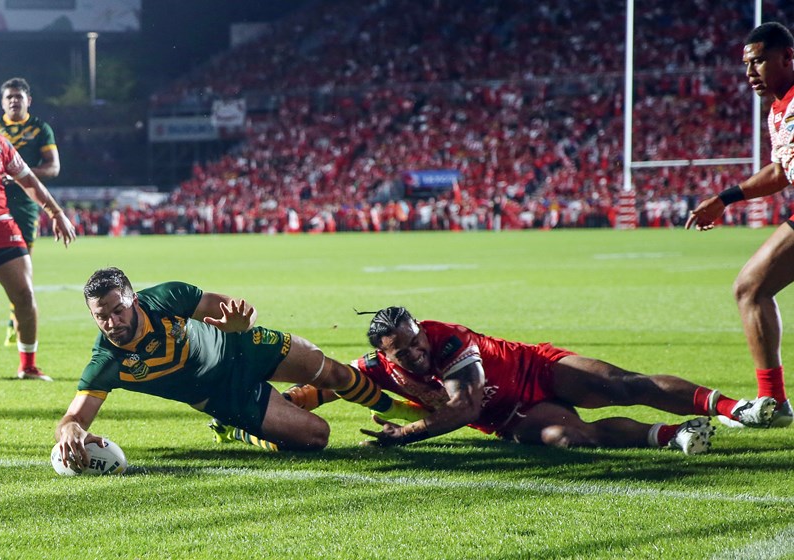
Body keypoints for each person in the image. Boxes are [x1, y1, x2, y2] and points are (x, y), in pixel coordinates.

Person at [54, 267, 420, 470]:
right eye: (101, 316)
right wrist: (70, 431)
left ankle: (402, 411)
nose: (112, 322)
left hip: (242, 346)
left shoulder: (167, 297)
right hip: (222, 394)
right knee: (316, 438)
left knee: (333, 372)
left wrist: (241, 325)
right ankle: (237, 429)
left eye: (118, 309)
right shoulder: (106, 363)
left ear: (132, 298)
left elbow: (241, 312)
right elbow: (73, 417)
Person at [285, 307, 778, 454]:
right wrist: (293, 404)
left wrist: (408, 434)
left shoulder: (449, 341)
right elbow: (333, 383)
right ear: (383, 353)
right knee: (570, 438)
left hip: (535, 368)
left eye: (417, 340)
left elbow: (465, 406)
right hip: (513, 415)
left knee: (624, 385)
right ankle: (674, 435)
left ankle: (735, 408)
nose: (419, 351)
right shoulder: (378, 368)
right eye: (406, 349)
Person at [686, 22, 794, 428]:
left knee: (751, 288)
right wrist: (725, 199)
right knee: (750, 288)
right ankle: (773, 401)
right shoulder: (778, 108)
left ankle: (773, 401)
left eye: (760, 61)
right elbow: (782, 172)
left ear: (788, 57)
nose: (751, 72)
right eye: (747, 64)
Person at [0, 84, 75, 380]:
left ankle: (28, 365)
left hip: (0, 228)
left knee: (24, 294)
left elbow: (30, 181)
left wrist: (56, 213)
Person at [0, 77, 61, 355]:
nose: (14, 101)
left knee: (20, 272)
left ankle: (14, 326)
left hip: (25, 208)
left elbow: (54, 167)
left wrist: (21, 174)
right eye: (9, 97)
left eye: (18, 97)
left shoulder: (40, 129)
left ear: (28, 101)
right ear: (2, 102)